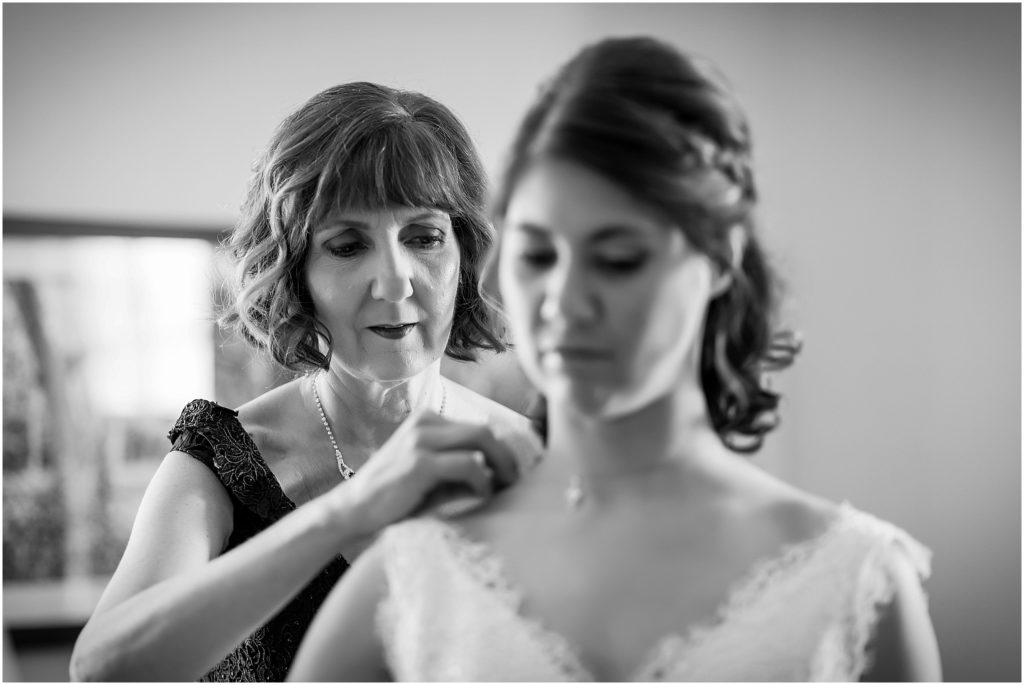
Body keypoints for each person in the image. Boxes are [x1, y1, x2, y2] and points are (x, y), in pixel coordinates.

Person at [288, 37, 942, 682]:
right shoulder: (413, 572)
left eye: (619, 258)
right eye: (538, 257)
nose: (566, 302)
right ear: (496, 275)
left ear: (719, 259)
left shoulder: (857, 583)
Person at [69, 81, 539, 682]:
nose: (394, 283)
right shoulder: (221, 465)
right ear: (296, 275)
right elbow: (102, 671)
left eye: (423, 238)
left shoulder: (537, 460)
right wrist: (348, 511)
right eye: (347, 246)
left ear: (465, 257)